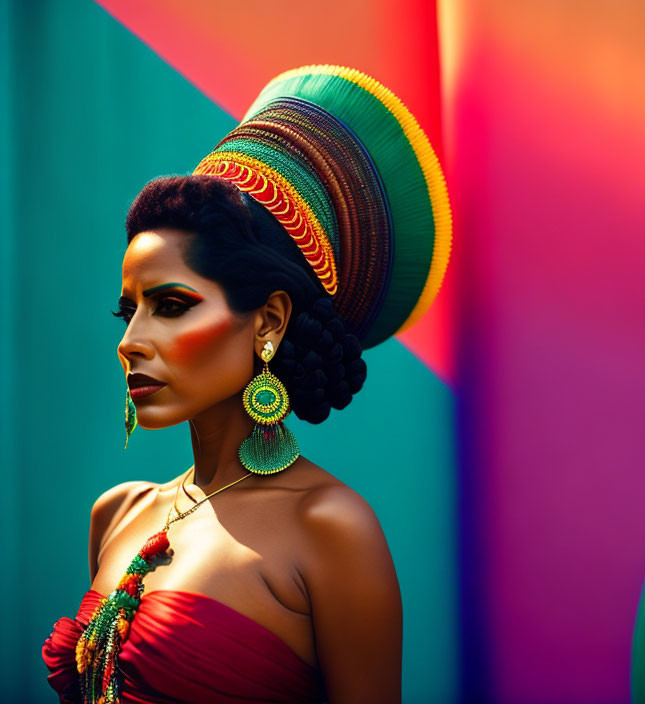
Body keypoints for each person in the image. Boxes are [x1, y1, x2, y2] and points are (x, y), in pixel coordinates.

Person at [42, 64, 452, 704]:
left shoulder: (331, 528)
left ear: (268, 321)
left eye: (172, 305)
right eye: (131, 311)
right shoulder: (117, 512)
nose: (131, 341)